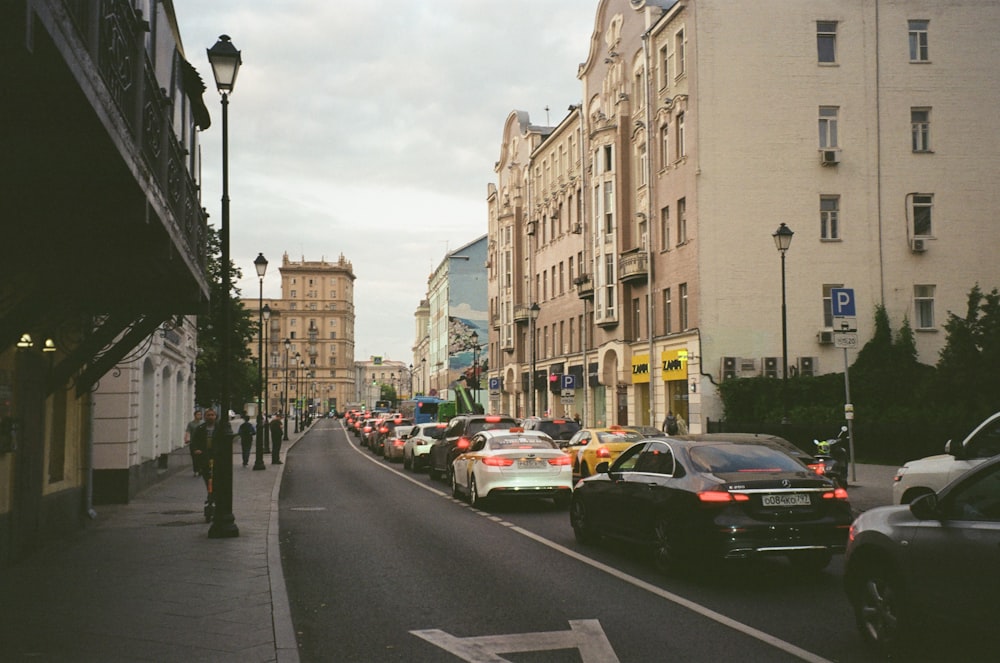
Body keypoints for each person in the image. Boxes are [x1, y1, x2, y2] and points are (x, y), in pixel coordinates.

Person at [190, 408, 226, 502]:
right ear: (205, 417)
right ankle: (210, 494)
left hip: (216, 456)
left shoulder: (220, 428)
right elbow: (194, 441)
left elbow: (224, 441)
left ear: (215, 416)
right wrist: (196, 450)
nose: (210, 417)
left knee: (216, 478)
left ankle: (214, 495)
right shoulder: (201, 428)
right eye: (208, 415)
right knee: (207, 477)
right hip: (204, 456)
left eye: (212, 415)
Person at [185, 409, 203, 476]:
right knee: (194, 457)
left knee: (201, 457)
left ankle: (200, 469)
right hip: (193, 442)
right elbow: (188, 431)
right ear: (195, 415)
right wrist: (186, 438)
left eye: (200, 414)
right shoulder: (191, 424)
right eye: (198, 414)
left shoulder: (203, 423)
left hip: (201, 443)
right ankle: (196, 470)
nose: (199, 416)